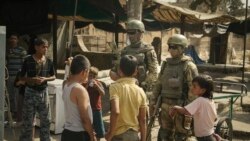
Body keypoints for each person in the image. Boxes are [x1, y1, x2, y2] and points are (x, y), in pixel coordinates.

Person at [149, 34, 199, 141]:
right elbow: (159, 84)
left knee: (180, 135)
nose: (171, 49)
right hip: (165, 105)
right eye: (169, 46)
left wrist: (188, 109)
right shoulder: (166, 64)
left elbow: (194, 90)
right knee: (164, 134)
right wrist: (153, 102)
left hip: (180, 106)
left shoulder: (189, 66)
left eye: (174, 47)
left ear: (182, 48)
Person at [19, 38, 55, 141]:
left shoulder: (49, 61)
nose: (46, 49)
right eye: (43, 46)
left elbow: (53, 76)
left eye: (47, 47)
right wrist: (31, 80)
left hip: (43, 93)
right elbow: (21, 77)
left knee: (46, 120)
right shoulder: (27, 60)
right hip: (30, 93)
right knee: (28, 121)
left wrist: (45, 79)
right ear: (36, 47)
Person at [105, 55, 147, 141]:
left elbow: (116, 112)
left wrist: (110, 134)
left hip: (118, 136)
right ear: (135, 71)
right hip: (134, 136)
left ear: (119, 71)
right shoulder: (140, 91)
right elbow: (143, 120)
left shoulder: (115, 87)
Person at [109, 19, 158, 92]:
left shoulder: (148, 50)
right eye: (128, 33)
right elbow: (116, 70)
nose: (130, 36)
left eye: (132, 33)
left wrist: (145, 84)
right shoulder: (125, 51)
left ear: (141, 33)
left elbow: (153, 72)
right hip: (125, 87)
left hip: (140, 88)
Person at [169, 75, 217, 141]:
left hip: (203, 138)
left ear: (203, 90)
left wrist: (175, 107)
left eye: (194, 86)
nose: (191, 88)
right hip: (210, 135)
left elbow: (186, 111)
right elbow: (215, 118)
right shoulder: (211, 101)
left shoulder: (200, 101)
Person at [61, 55, 97, 141]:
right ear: (84, 72)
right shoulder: (80, 90)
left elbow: (68, 78)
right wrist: (92, 136)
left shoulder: (65, 85)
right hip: (79, 134)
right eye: (88, 73)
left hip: (67, 132)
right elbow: (84, 118)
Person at [6, 33, 27, 118]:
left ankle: (18, 113)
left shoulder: (21, 50)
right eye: (11, 38)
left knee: (17, 95)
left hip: (17, 76)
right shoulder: (7, 50)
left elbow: (25, 63)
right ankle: (12, 111)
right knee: (10, 94)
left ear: (17, 40)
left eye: (14, 38)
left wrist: (22, 76)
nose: (12, 40)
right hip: (9, 76)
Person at [82, 66, 105, 141]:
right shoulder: (84, 84)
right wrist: (87, 85)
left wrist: (97, 86)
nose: (90, 77)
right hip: (88, 109)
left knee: (99, 129)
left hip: (96, 109)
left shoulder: (98, 83)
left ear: (95, 77)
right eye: (89, 75)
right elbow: (82, 93)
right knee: (88, 128)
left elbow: (103, 94)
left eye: (92, 76)